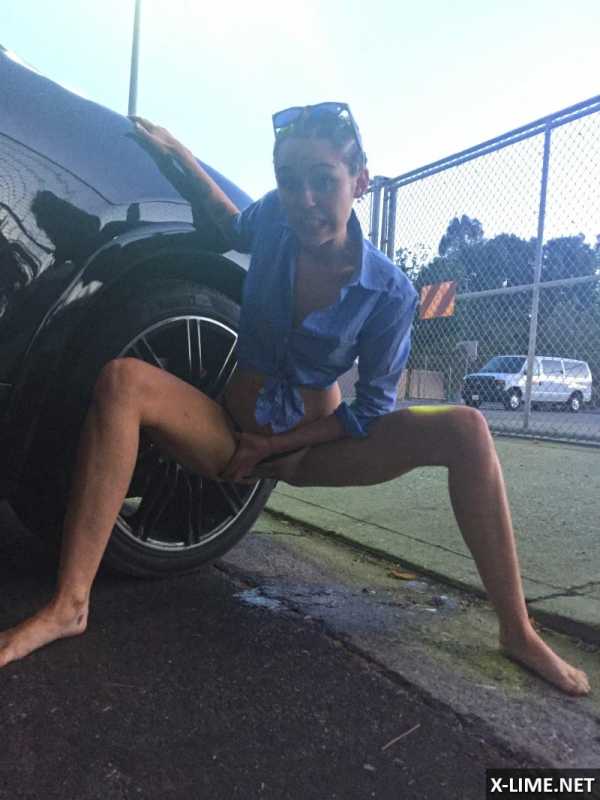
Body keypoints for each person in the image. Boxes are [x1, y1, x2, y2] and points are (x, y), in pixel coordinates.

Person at [0, 103, 590, 696]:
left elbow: (369, 409)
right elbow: (229, 222)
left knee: (466, 430)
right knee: (122, 382)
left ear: (359, 181)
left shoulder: (390, 292)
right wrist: (180, 156)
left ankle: (518, 630)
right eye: (288, 180)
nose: (304, 200)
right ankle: (70, 604)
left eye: (324, 181)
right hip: (232, 435)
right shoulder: (275, 223)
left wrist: (279, 447)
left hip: (316, 450)